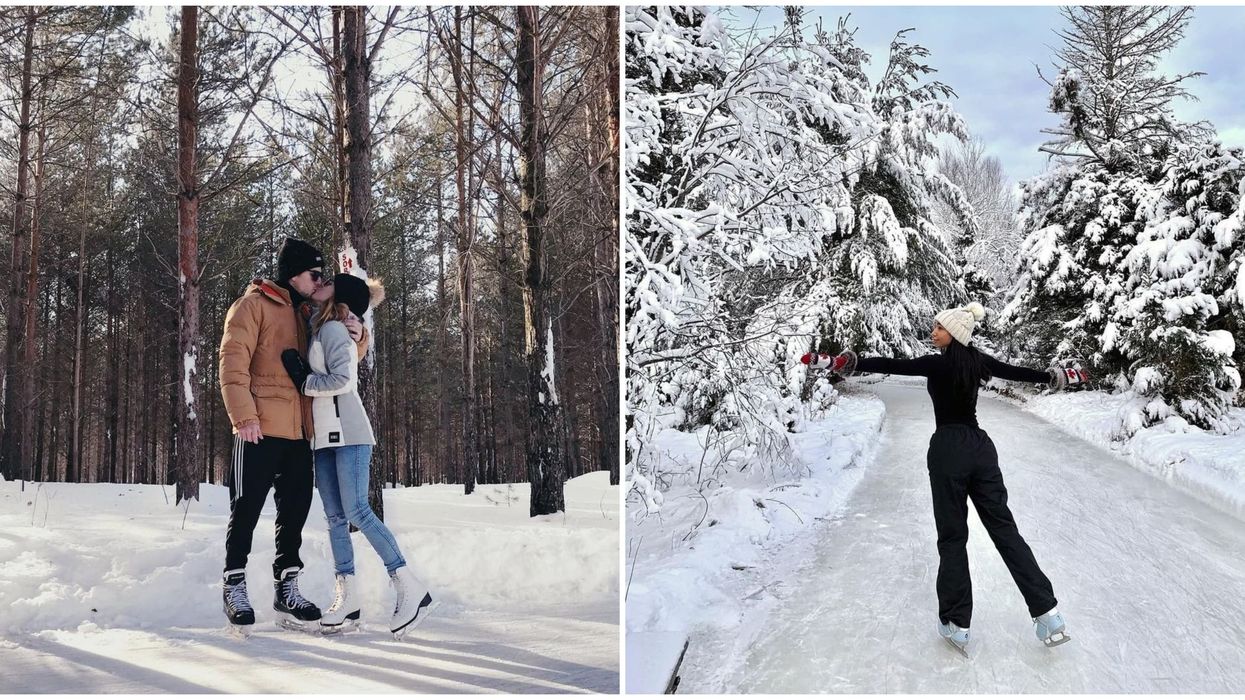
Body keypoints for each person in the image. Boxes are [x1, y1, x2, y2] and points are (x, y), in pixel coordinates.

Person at [801, 302, 1088, 655]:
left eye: (939, 328)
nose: (933, 332)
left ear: (954, 333)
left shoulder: (936, 363)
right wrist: (1060, 377)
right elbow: (1019, 373)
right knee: (1005, 530)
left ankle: (957, 623)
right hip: (982, 449)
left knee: (953, 537)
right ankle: (1048, 613)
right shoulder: (979, 361)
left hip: (948, 450)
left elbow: (893, 365)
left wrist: (841, 363)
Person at [218, 238, 367, 634]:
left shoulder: (309, 314)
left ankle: (288, 587)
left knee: (295, 512)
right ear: (294, 273)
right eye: (315, 275)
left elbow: (339, 362)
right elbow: (232, 364)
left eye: (322, 276)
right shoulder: (252, 306)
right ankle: (234, 584)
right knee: (246, 507)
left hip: (302, 432)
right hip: (259, 428)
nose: (319, 283)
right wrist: (243, 416)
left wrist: (359, 333)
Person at [281, 273, 436, 639]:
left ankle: (409, 585)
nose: (320, 284)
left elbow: (344, 380)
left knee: (356, 512)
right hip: (324, 438)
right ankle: (347, 597)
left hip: (348, 432)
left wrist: (304, 381)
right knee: (335, 518)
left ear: (341, 297)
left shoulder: (334, 330)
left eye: (328, 283)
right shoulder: (321, 326)